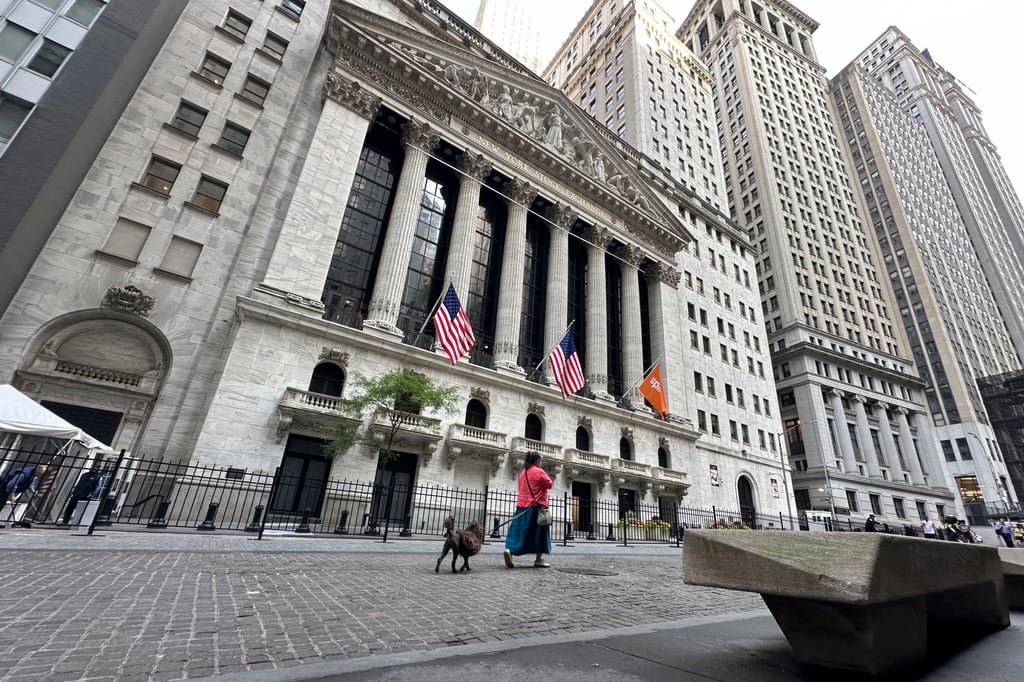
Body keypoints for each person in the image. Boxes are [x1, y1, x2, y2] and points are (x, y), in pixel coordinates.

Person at [503, 450, 553, 569]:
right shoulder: (539, 471)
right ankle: (538, 560)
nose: (541, 462)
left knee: (518, 531)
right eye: (540, 460)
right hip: (537, 508)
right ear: (537, 460)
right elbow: (549, 484)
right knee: (539, 534)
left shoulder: (522, 473)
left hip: (521, 507)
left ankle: (510, 551)